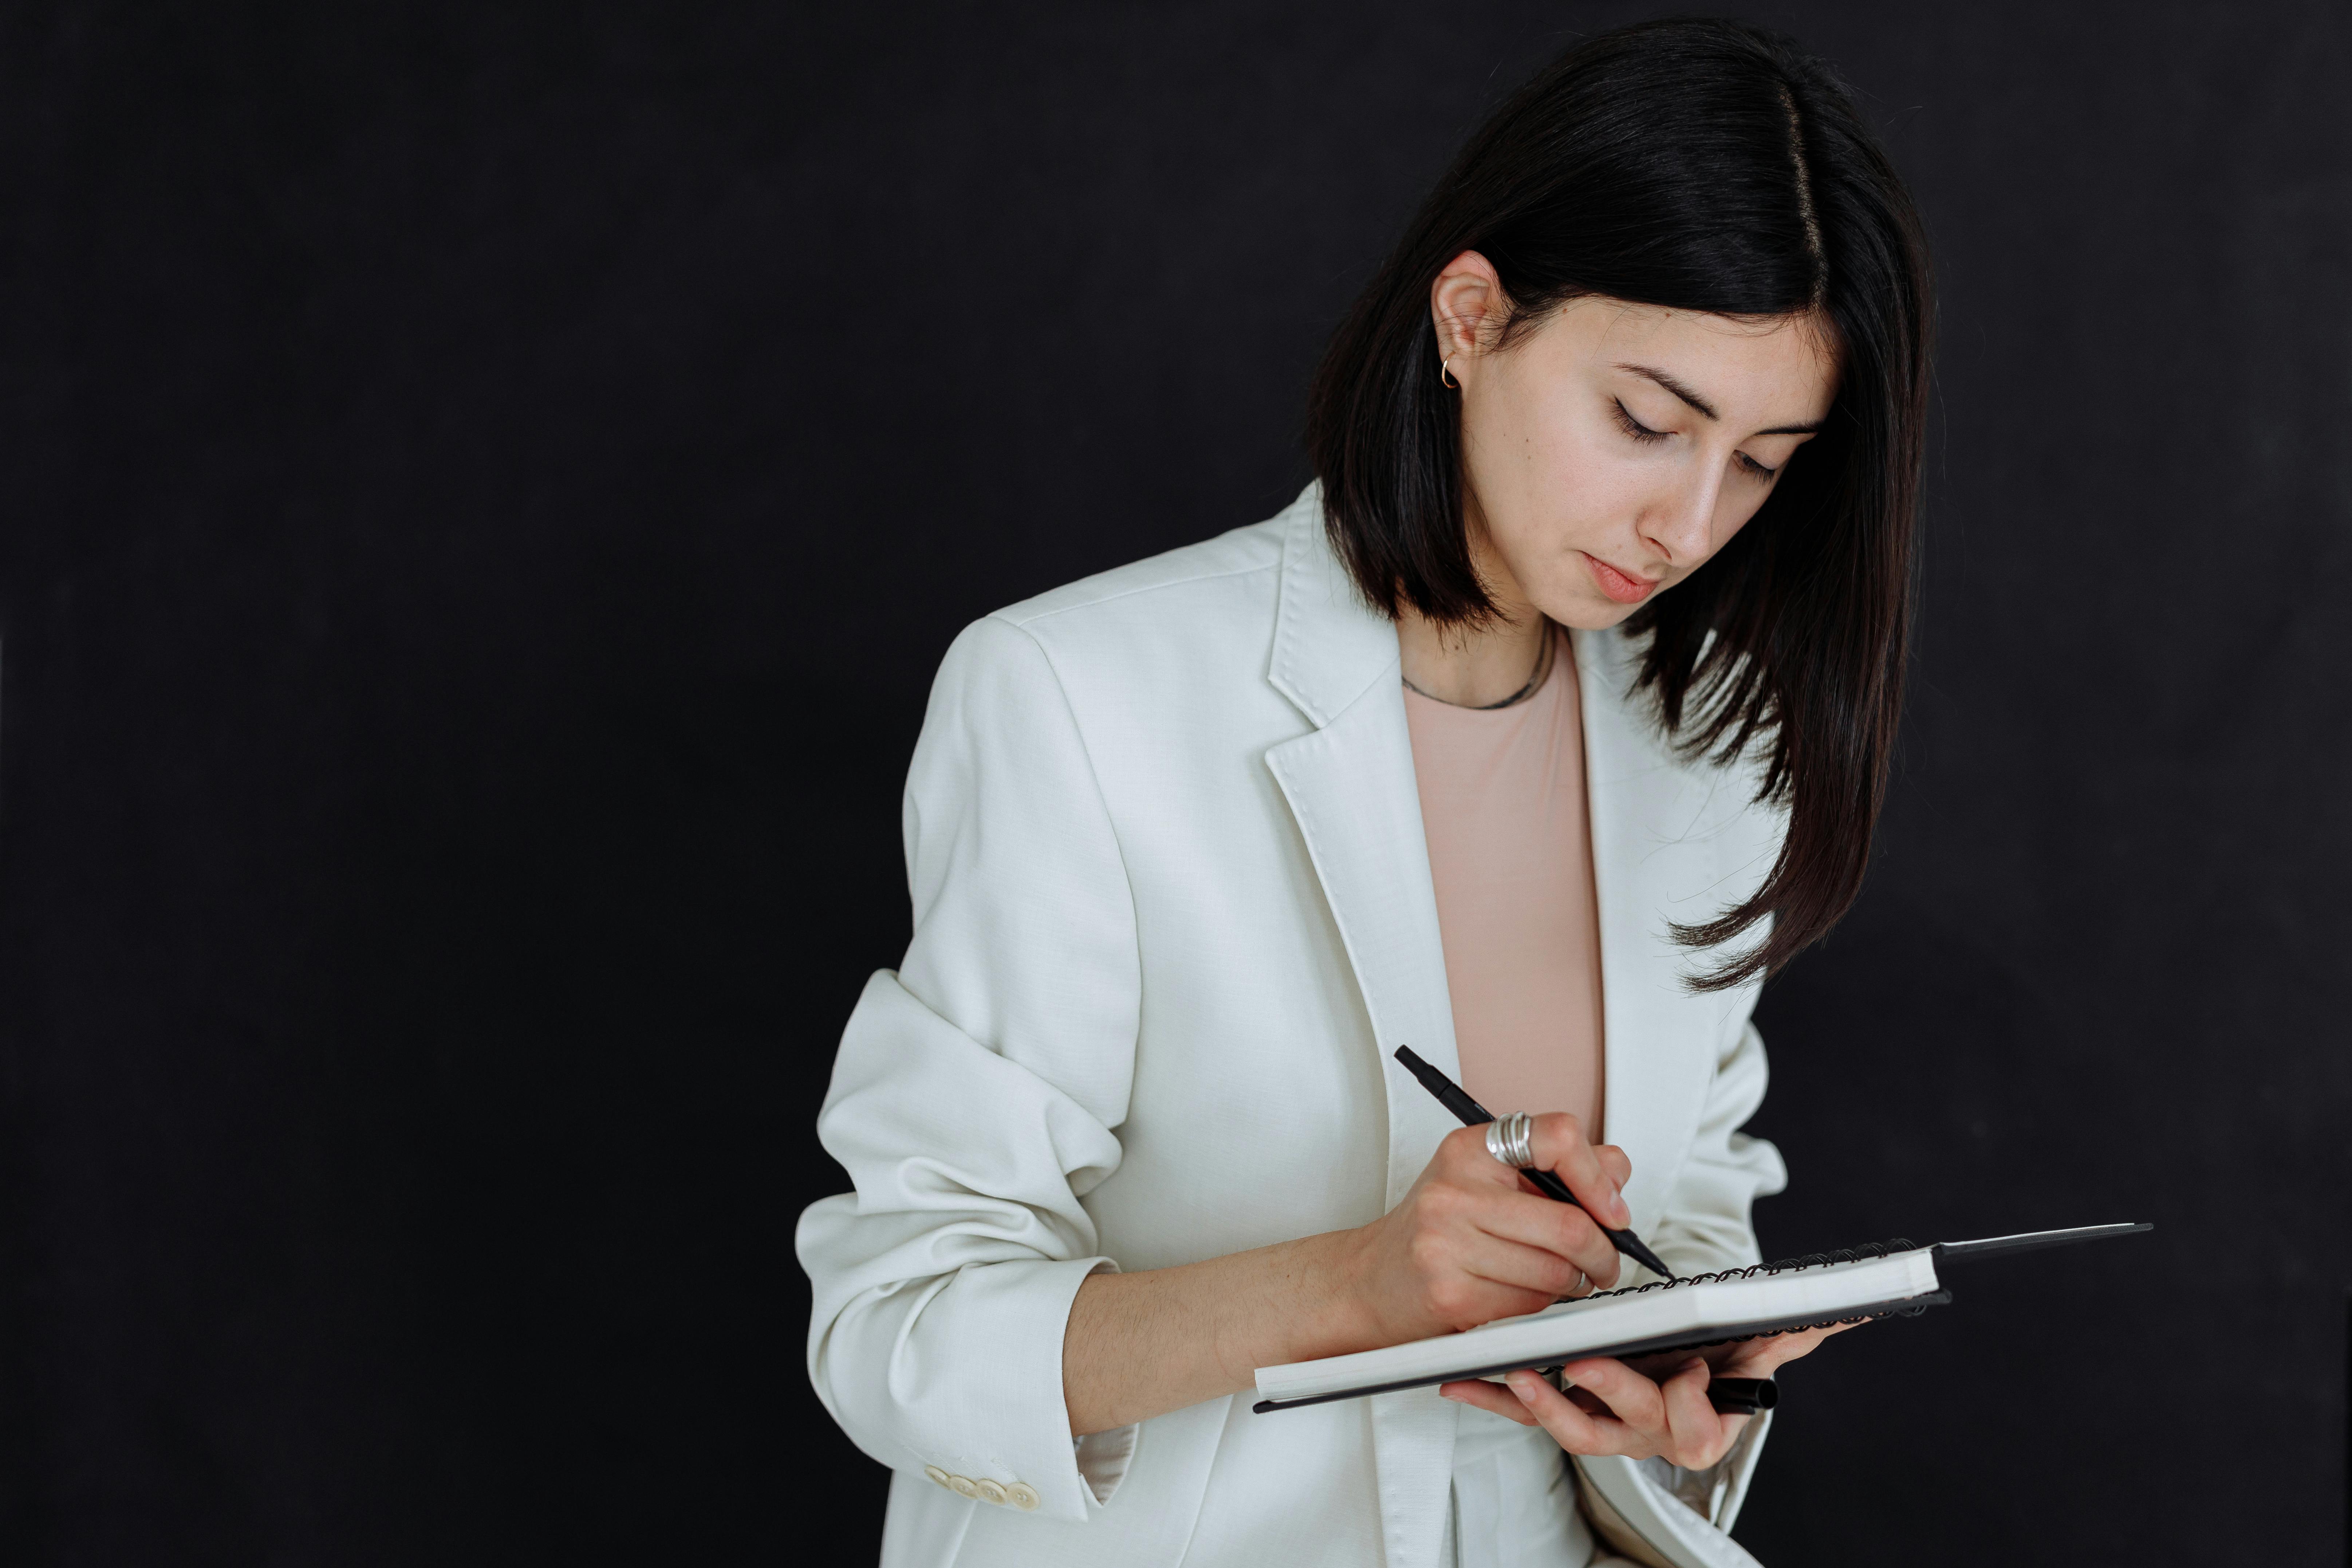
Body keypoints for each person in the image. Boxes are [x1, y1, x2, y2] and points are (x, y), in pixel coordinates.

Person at [798, 17, 1931, 1567]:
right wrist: (1364, 1288)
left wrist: (1677, 1383)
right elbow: (901, 1325)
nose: (1685, 520)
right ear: (1470, 318)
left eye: (1760, 462)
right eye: (1646, 423)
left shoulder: (1709, 744)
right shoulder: (1075, 697)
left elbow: (1702, 1186)